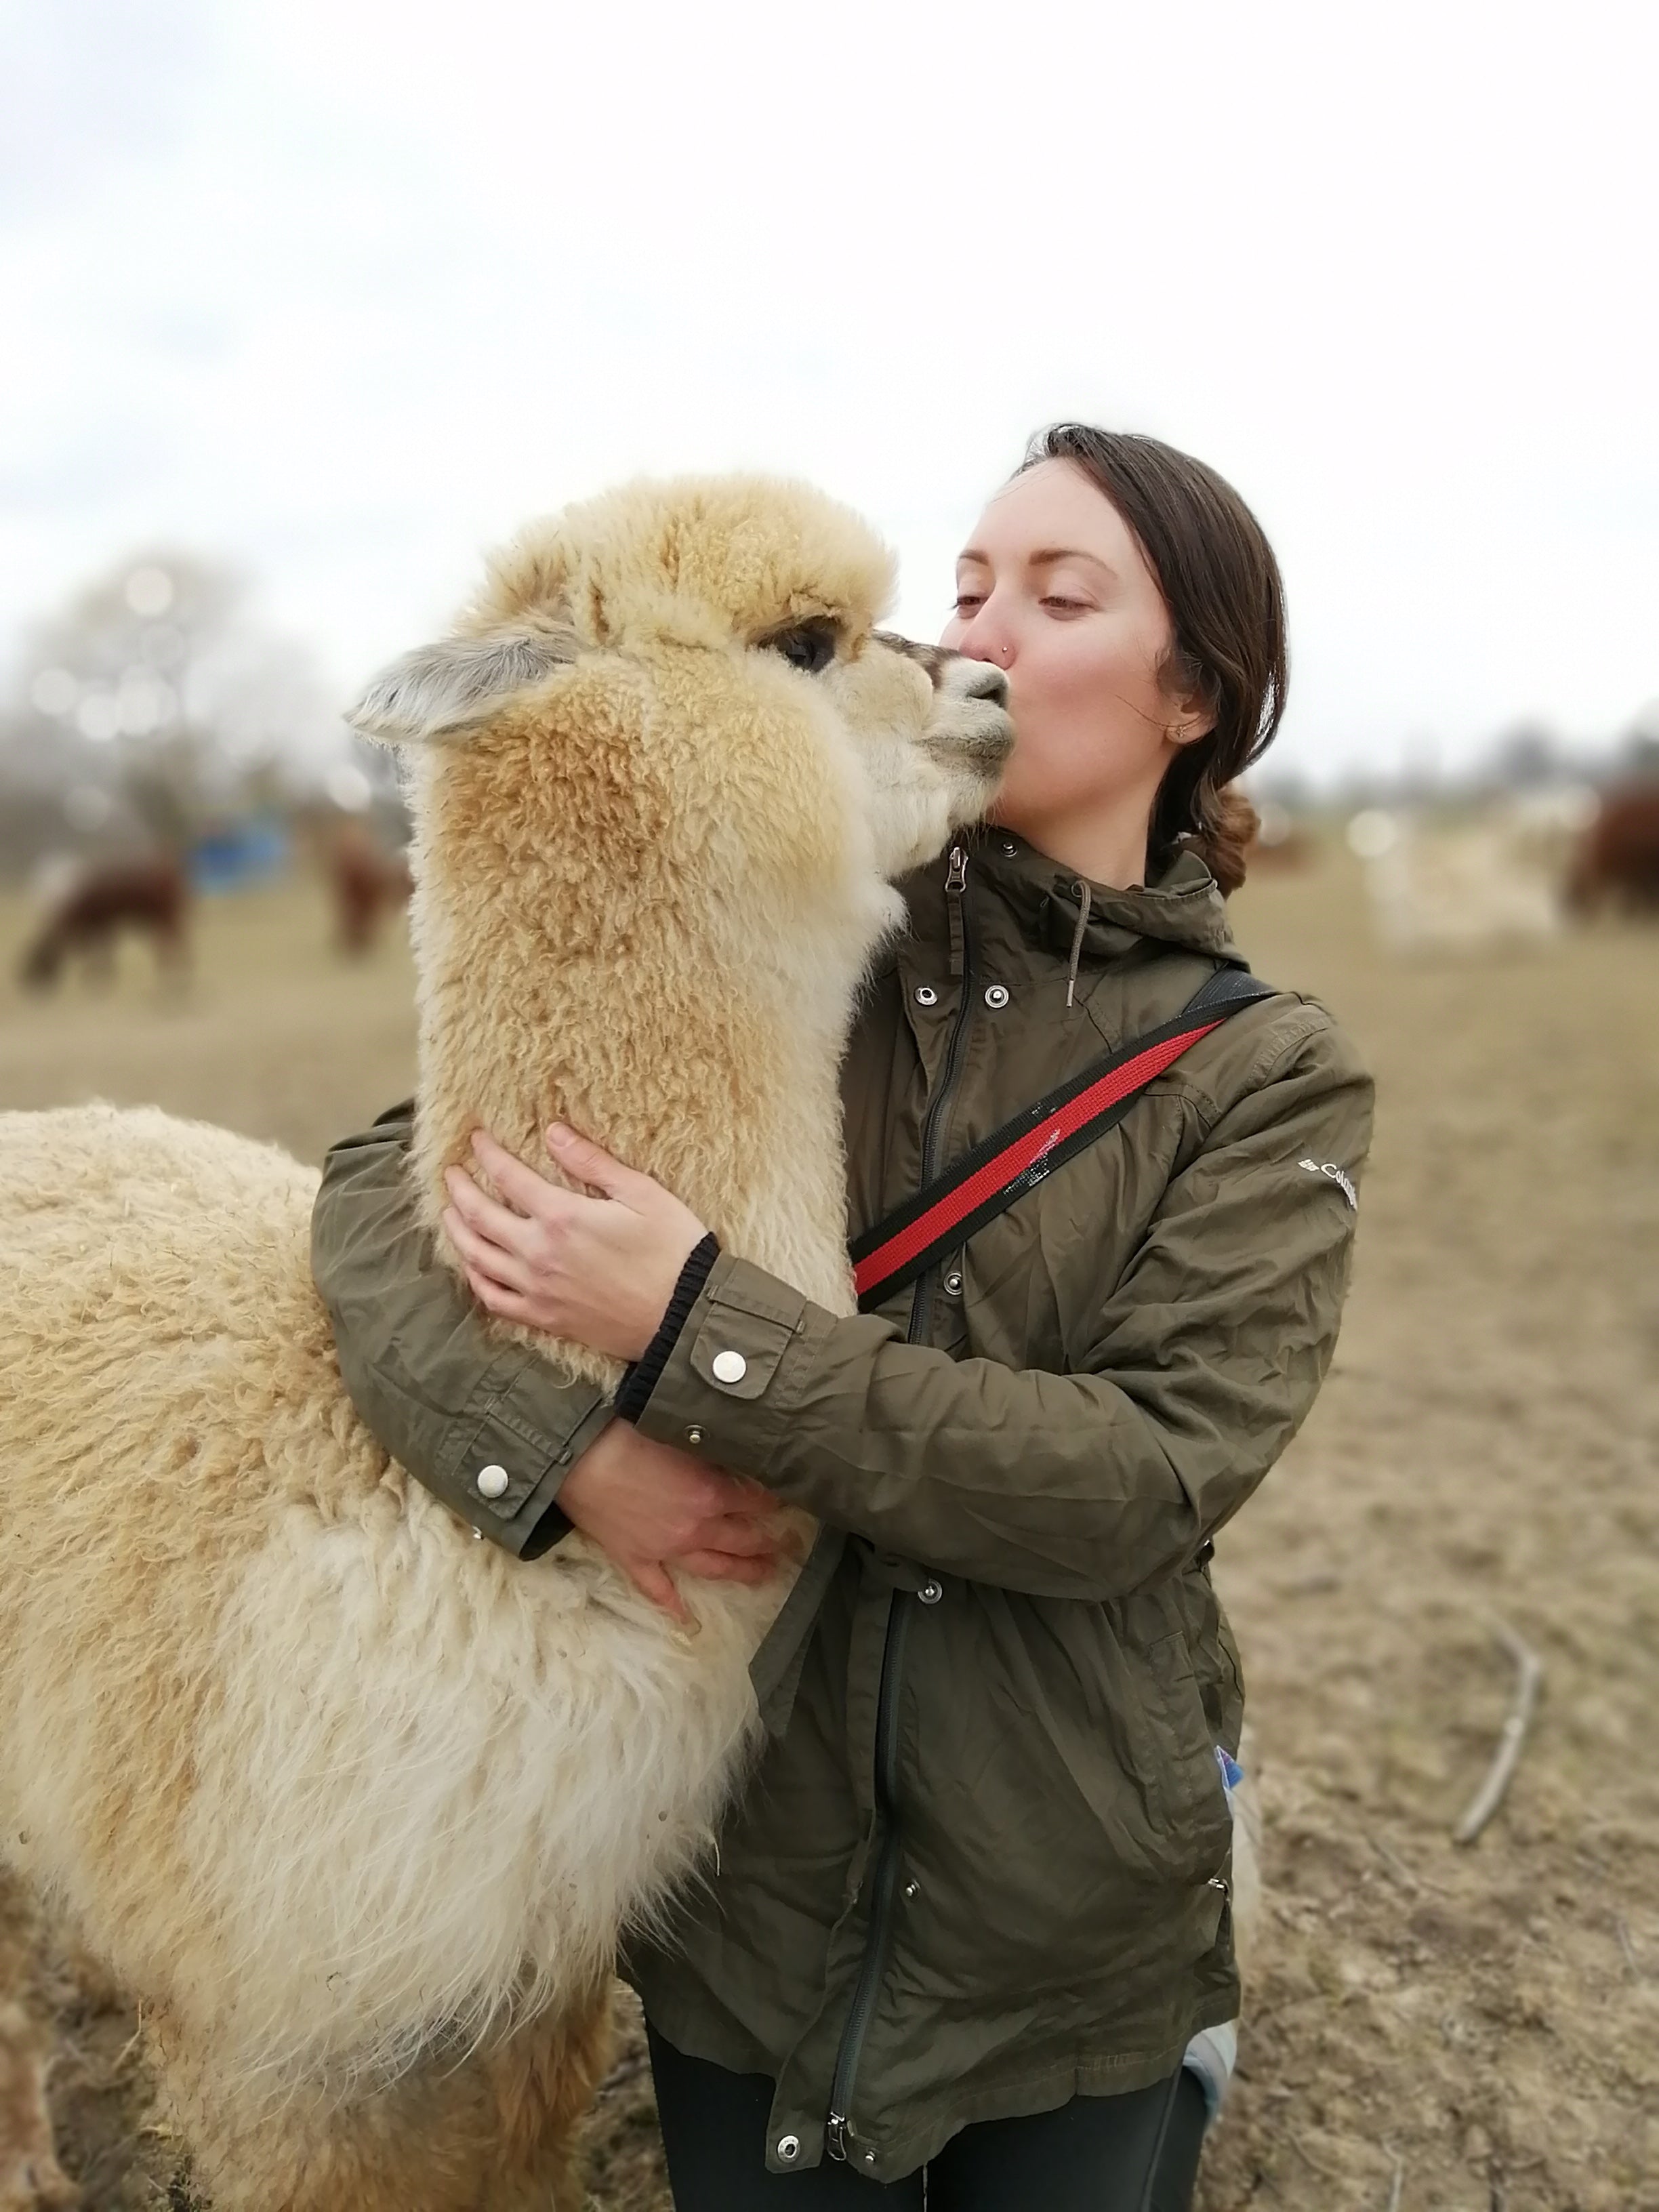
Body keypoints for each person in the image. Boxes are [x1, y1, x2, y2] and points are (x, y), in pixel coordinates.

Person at [310, 424, 1374, 2210]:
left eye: (1058, 595)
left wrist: (699, 1329)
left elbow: (1131, 1480)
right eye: (966, 588)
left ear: (1193, 690)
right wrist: (567, 1460)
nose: (978, 638)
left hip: (1063, 1908)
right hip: (761, 1899)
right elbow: (375, 1187)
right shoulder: (793, 934)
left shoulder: (1264, 1077)